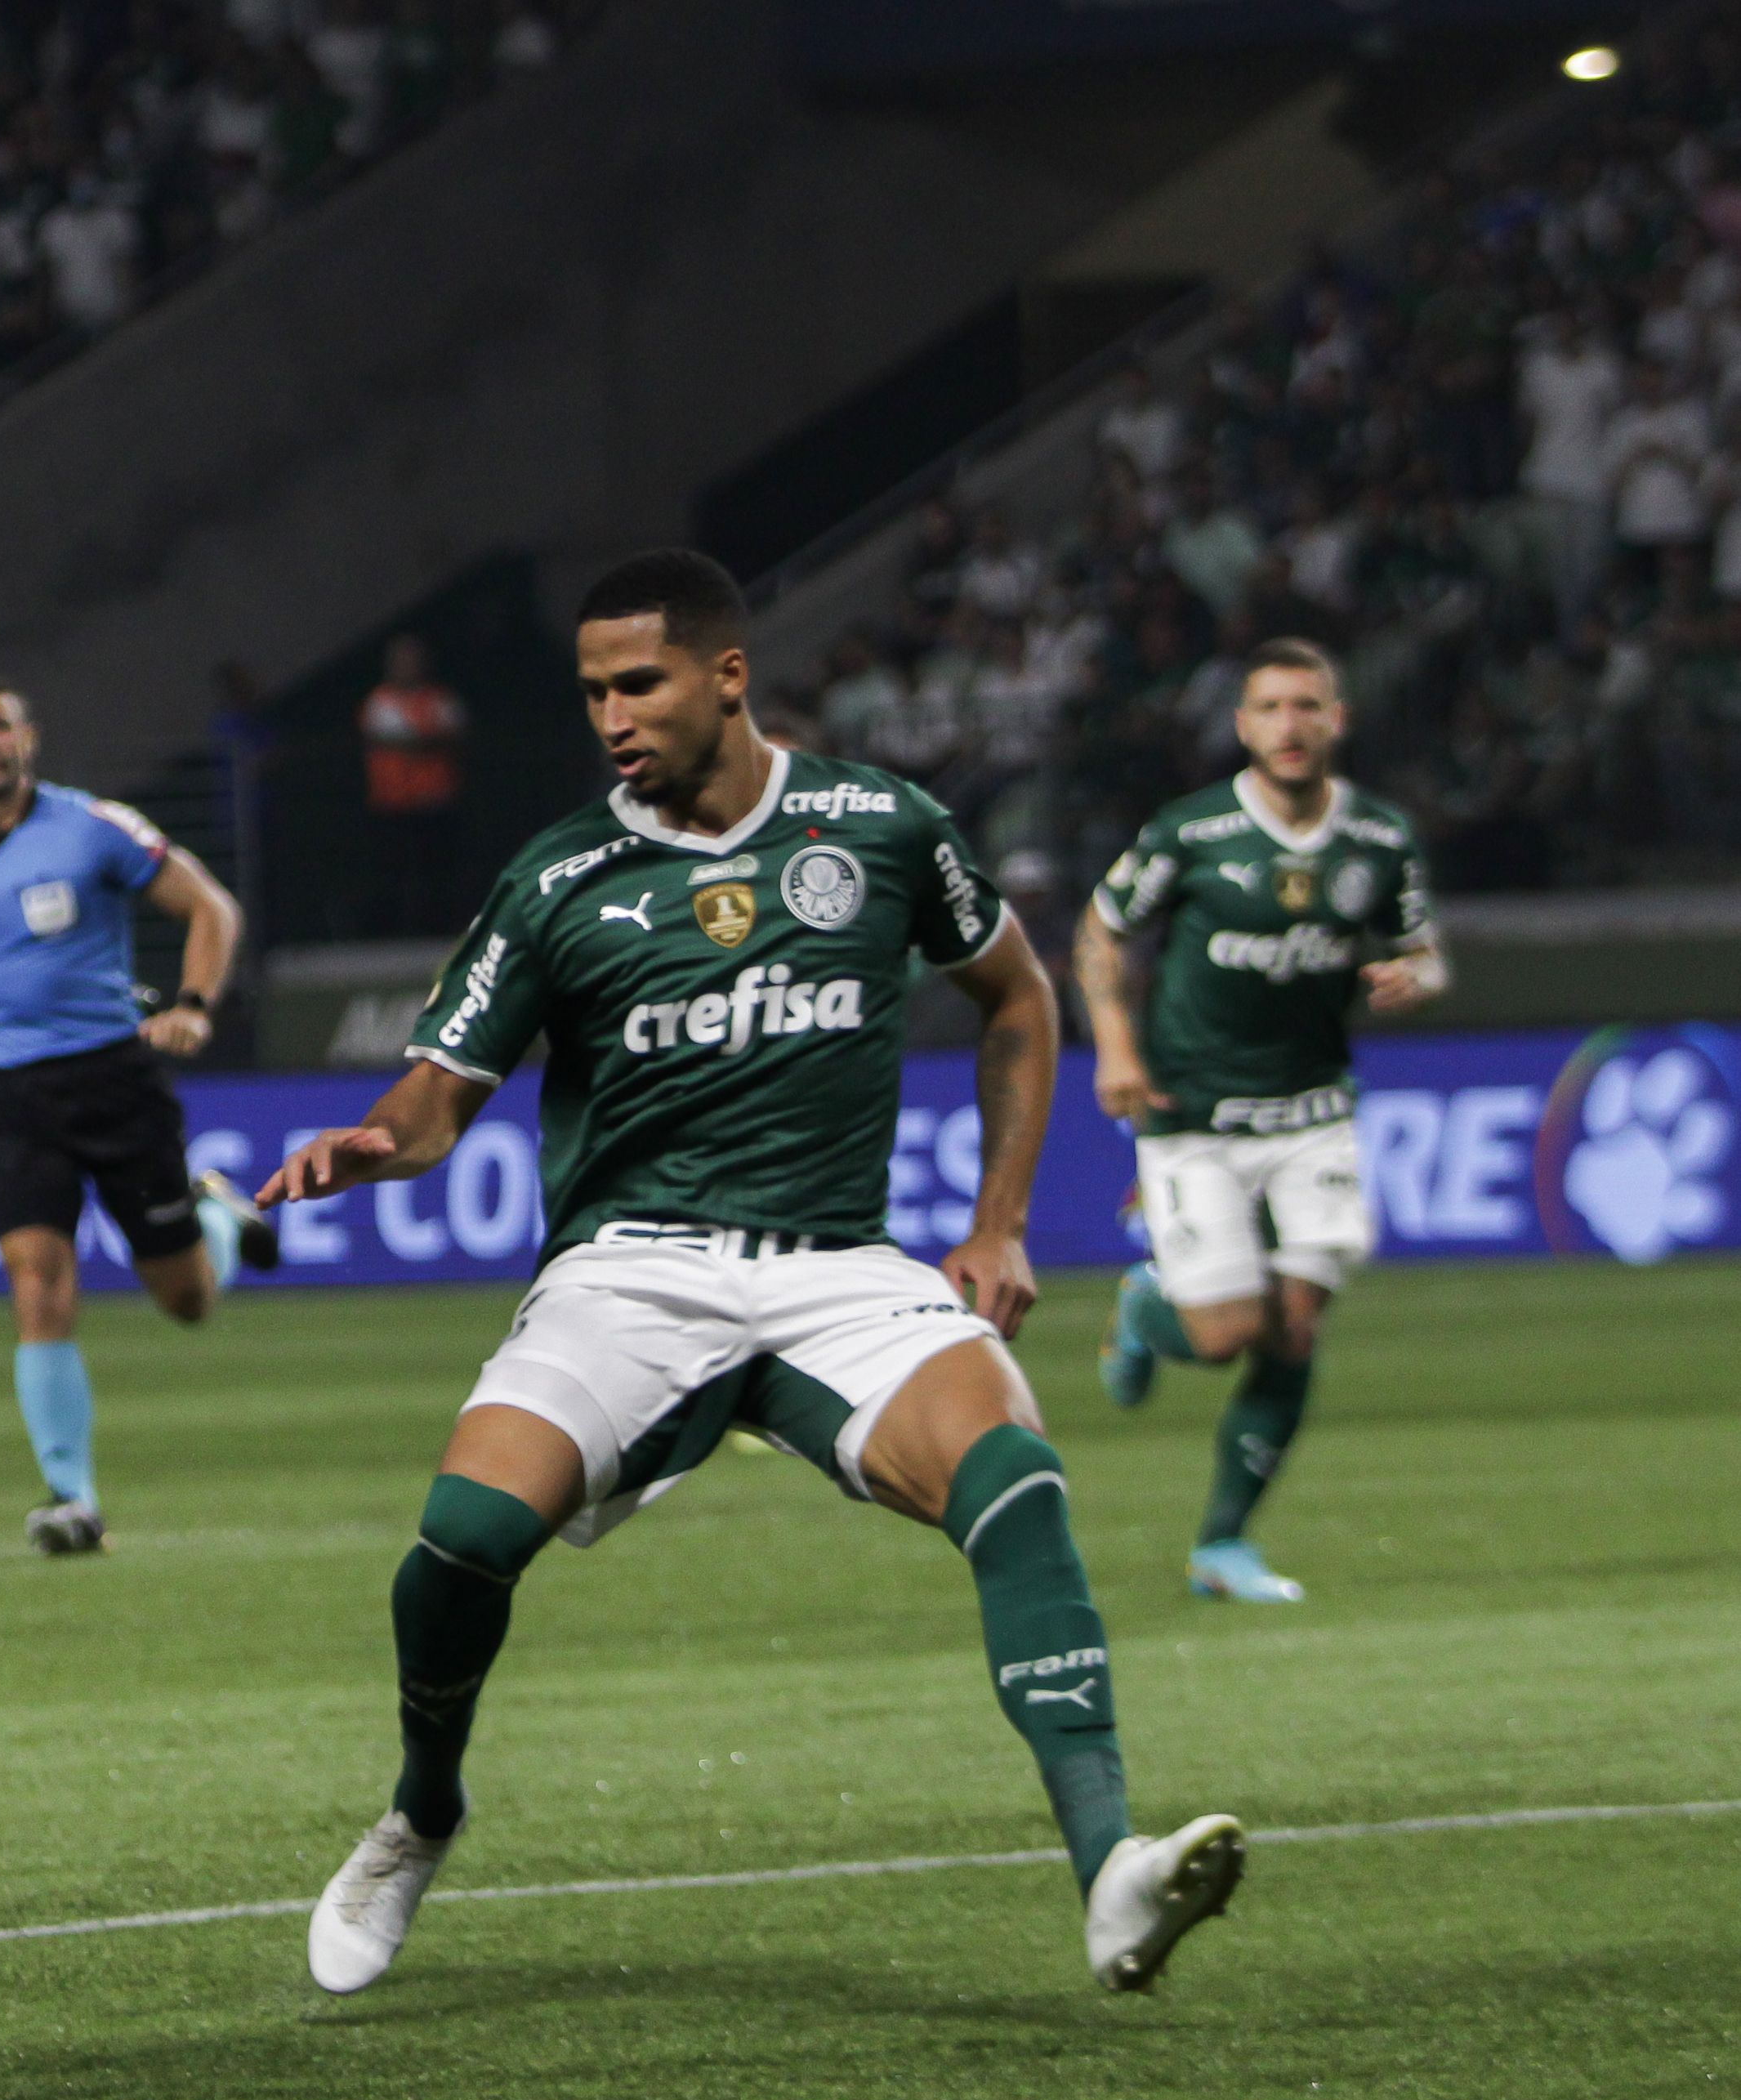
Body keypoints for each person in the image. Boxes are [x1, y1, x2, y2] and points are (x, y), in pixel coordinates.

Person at [261, 550, 1247, 2004]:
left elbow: (1020, 999)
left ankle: (1110, 1868)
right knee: (463, 1534)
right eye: (593, 688)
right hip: (632, 1272)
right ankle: (422, 1810)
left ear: (727, 675)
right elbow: (432, 1099)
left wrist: (998, 1222)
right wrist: (369, 1143)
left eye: (638, 682)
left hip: (835, 1267)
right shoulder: (558, 877)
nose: (611, 713)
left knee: (1017, 1480)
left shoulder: (880, 827)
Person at [0, 677, 277, 1556]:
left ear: (30, 740)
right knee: (37, 1277)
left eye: (1, 725)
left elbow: (211, 907)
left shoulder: (93, 829)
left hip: (115, 1082)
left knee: (186, 1301)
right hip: (13, 1096)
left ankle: (219, 1215)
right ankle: (72, 1497)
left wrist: (192, 1003)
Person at [1078, 639, 1447, 1603]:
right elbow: (1103, 928)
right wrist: (1114, 1044)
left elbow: (1425, 947)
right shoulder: (1191, 833)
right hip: (1191, 1111)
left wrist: (1421, 975)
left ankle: (1222, 1545)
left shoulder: (1377, 837)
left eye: (1307, 706)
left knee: (1295, 1327)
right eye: (1271, 708)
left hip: (1315, 1108)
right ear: (1243, 726)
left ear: (1338, 720)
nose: (1290, 725)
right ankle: (1146, 1307)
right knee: (1224, 1334)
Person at [357, 632, 468, 936]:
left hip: (435, 803)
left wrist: (417, 742)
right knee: (394, 876)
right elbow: (386, 737)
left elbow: (454, 734)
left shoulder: (440, 699)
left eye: (413, 659)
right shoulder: (380, 701)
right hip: (392, 805)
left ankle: (439, 931)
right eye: (401, 660)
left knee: (437, 874)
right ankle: (393, 935)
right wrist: (425, 741)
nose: (408, 665)